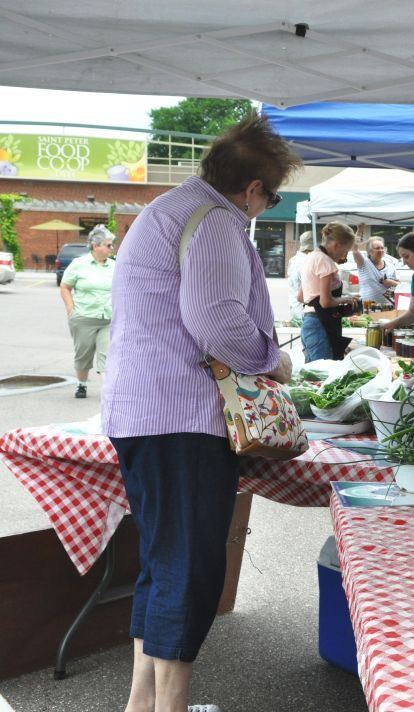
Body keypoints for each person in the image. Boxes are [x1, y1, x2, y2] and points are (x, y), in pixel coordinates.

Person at [100, 114, 301, 712]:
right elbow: (215, 322)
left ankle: (144, 704)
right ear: (254, 190)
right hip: (180, 417)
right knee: (189, 570)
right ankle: (171, 707)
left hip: (145, 410)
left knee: (164, 563)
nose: (267, 206)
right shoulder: (216, 221)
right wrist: (273, 360)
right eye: (273, 196)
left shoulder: (169, 208)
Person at [59, 224, 116, 398]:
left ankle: (107, 392)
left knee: (105, 356)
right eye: (108, 245)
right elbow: (65, 286)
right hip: (83, 317)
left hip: (107, 318)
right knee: (83, 355)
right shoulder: (79, 264)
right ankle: (82, 384)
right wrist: (71, 311)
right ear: (95, 246)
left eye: (111, 245)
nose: (111, 248)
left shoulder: (115, 266)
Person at [299, 221, 360, 361]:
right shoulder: (326, 262)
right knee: (324, 375)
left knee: (313, 375)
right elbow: (325, 302)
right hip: (320, 325)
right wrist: (345, 299)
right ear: (336, 245)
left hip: (308, 323)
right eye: (345, 251)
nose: (344, 256)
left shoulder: (311, 258)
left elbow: (302, 297)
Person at [351, 236, 399, 306]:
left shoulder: (390, 266)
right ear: (369, 251)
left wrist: (391, 282)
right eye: (377, 248)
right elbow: (354, 249)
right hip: (367, 306)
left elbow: (399, 285)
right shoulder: (363, 263)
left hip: (386, 306)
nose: (380, 250)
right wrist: (359, 230)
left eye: (382, 248)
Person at [286, 230, 314, 324]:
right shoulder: (307, 262)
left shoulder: (293, 260)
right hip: (305, 312)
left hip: (294, 308)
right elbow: (308, 291)